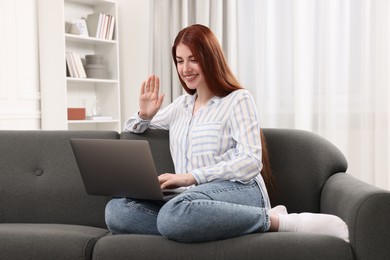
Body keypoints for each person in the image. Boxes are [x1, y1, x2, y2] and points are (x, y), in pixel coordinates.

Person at [105, 24, 349, 243]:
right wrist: (145, 115)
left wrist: (192, 177)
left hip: (239, 189)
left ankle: (275, 221)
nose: (185, 69)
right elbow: (133, 129)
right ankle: (190, 225)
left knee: (175, 213)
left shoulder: (238, 100)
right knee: (117, 210)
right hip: (187, 201)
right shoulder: (180, 106)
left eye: (193, 59)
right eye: (179, 61)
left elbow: (251, 161)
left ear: (210, 58)